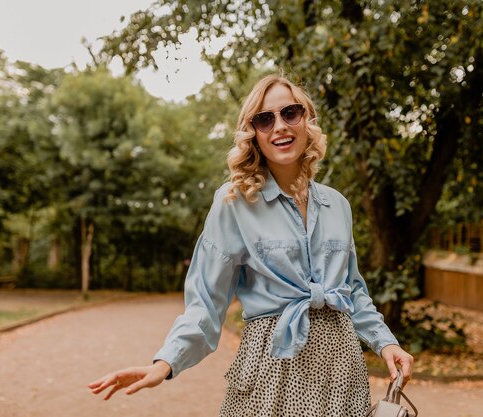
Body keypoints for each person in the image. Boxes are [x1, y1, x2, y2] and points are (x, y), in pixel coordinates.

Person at [89, 74, 414, 416]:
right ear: (253, 134)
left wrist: (386, 341)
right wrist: (165, 363)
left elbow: (353, 291)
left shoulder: (338, 205)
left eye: (290, 112)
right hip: (272, 372)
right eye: (264, 119)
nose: (279, 127)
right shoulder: (234, 203)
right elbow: (206, 300)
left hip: (341, 371)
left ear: (308, 120)